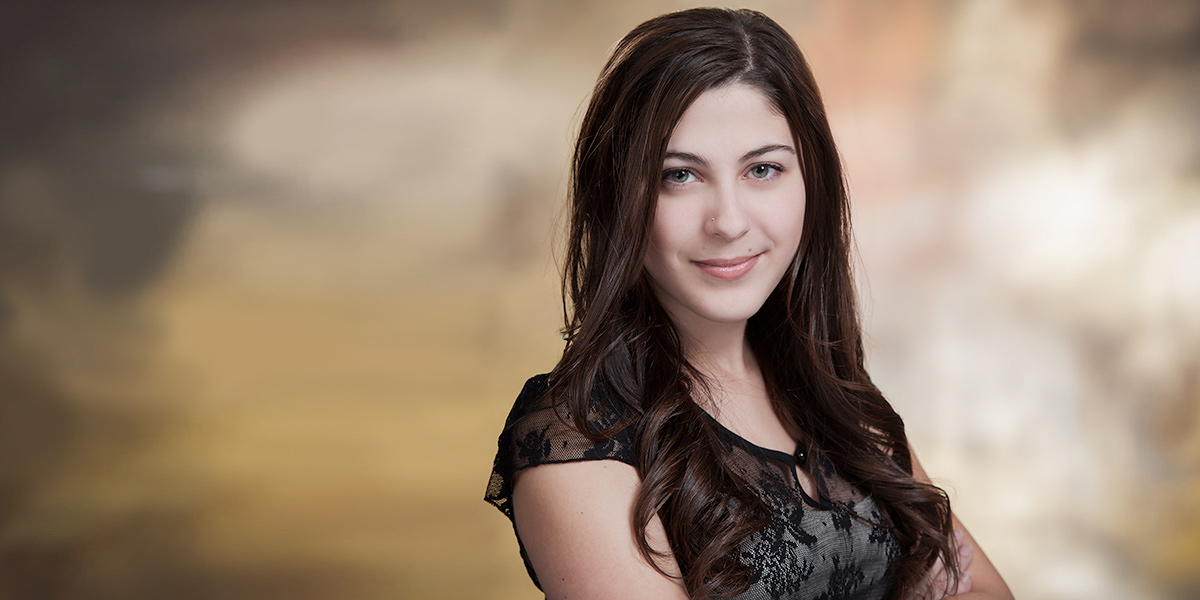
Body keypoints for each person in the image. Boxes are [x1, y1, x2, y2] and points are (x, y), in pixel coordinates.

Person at [485, 8, 1012, 600]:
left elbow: (983, 591)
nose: (729, 222)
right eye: (679, 176)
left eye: (763, 169)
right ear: (618, 196)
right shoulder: (579, 438)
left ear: (811, 182)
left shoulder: (834, 395)